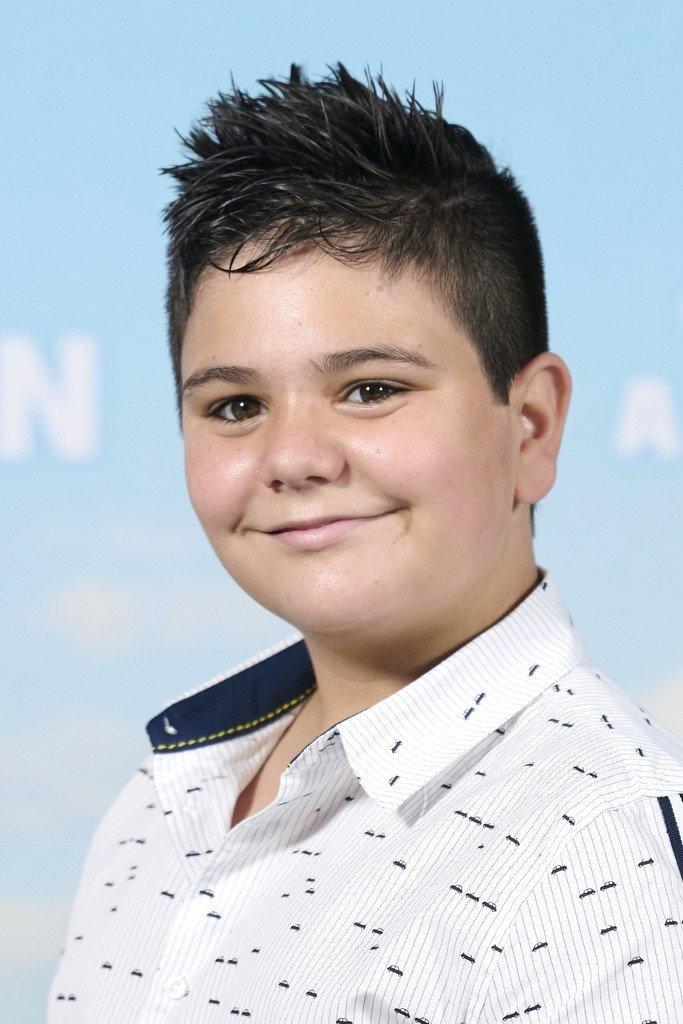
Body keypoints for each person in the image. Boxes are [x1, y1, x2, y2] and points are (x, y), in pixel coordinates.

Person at [47, 62, 683, 1023]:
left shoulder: (599, 851)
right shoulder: (163, 800)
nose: (293, 458)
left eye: (370, 390)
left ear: (530, 425)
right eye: (235, 405)